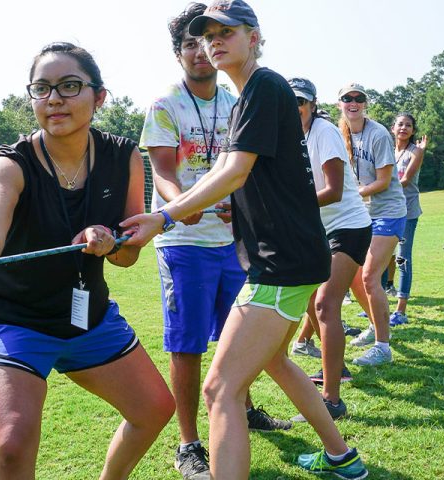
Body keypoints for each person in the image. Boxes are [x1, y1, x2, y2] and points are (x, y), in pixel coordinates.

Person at [121, 2, 368, 478]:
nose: (214, 41)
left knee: (219, 390)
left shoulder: (263, 86)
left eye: (225, 32)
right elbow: (225, 170)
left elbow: (235, 170)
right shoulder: (250, 94)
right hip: (286, 256)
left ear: (254, 37)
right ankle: (341, 455)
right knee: (275, 360)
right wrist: (184, 206)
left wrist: (164, 216)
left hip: (281, 261)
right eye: (206, 34)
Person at [0, 42, 175, 480]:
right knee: (12, 443)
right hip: (12, 320)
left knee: (155, 409)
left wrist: (110, 241)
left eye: (69, 85)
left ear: (100, 97)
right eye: (42, 88)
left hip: (86, 318)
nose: (54, 98)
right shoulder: (8, 166)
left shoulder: (123, 157)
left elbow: (128, 255)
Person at [140, 4, 290, 479]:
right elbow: (162, 170)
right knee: (187, 346)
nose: (200, 49)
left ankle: (241, 411)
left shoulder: (237, 99)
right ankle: (189, 444)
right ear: (179, 53)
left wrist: (237, 201)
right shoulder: (165, 105)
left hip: (234, 243)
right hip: (184, 243)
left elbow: (243, 168)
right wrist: (182, 204)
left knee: (240, 338)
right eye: (189, 42)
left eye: (208, 39)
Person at [287, 76, 372, 420]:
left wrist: (289, 205)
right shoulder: (291, 137)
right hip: (320, 228)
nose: (296, 109)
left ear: (312, 105)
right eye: (290, 102)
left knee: (325, 303)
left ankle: (332, 400)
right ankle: (335, 366)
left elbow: (334, 190)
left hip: (349, 227)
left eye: (301, 102)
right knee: (309, 297)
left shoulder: (323, 132)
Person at [339, 83, 408, 368]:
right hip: (361, 213)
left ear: (365, 104)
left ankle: (383, 346)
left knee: (369, 277)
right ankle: (374, 325)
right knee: (354, 277)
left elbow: (382, 181)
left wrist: (349, 194)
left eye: (359, 99)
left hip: (388, 211)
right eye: (347, 98)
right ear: (339, 103)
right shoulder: (339, 131)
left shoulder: (378, 134)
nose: (353, 103)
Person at [385, 113, 427, 327]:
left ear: (412, 130)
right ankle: (379, 307)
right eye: (400, 124)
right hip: (387, 210)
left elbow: (405, 180)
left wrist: (378, 187)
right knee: (382, 259)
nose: (403, 128)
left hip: (407, 212)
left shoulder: (415, 151)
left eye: (408, 125)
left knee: (402, 259)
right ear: (393, 128)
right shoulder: (389, 150)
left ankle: (400, 311)